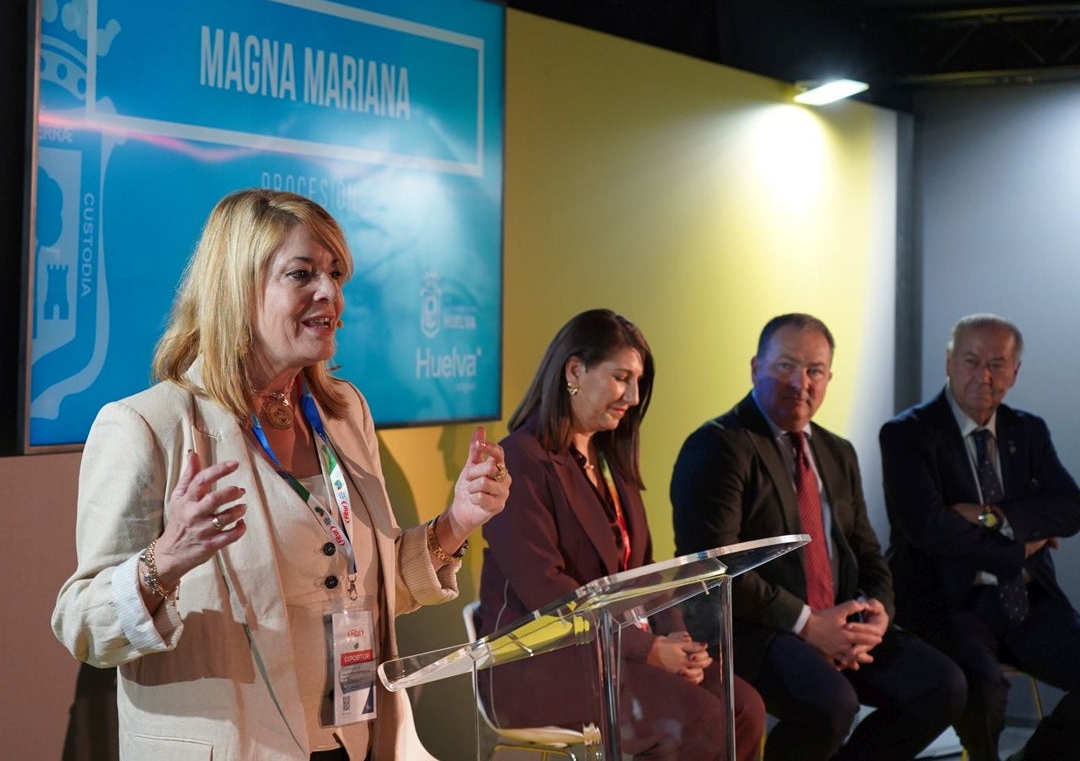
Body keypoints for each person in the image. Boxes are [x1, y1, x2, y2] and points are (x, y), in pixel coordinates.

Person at [51, 189, 512, 761]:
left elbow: (368, 588)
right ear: (237, 288)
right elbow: (81, 625)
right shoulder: (146, 426)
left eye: (336, 274)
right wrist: (167, 557)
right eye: (303, 274)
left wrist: (456, 523)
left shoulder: (344, 414)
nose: (331, 294)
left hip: (361, 741)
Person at [671, 312, 966, 761]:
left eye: (815, 371)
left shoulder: (836, 451)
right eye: (785, 366)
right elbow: (714, 567)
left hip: (836, 620)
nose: (800, 383)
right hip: (756, 628)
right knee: (831, 704)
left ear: (829, 376)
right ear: (755, 368)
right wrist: (809, 625)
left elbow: (866, 548)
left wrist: (876, 615)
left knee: (942, 686)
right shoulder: (720, 445)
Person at [477, 309, 766, 761]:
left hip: (620, 653)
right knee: (695, 720)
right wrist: (649, 649)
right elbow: (548, 594)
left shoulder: (609, 459)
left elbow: (647, 571)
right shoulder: (519, 461)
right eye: (620, 378)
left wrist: (680, 645)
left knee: (745, 707)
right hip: (543, 666)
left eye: (637, 382)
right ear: (574, 371)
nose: (632, 396)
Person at [880, 313, 1080, 761]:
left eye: (996, 363)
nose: (983, 376)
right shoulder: (907, 435)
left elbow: (1070, 507)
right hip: (951, 602)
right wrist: (1021, 542)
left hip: (1026, 599)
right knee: (984, 689)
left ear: (1015, 371)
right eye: (971, 361)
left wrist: (992, 516)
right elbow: (930, 528)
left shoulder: (1028, 430)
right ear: (949, 361)